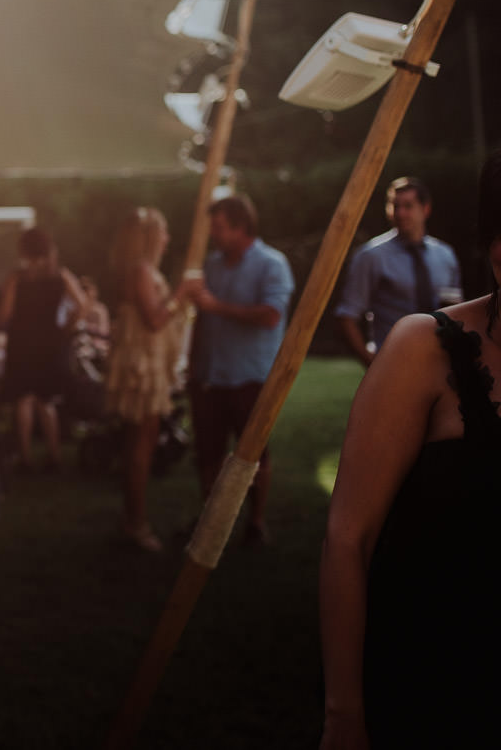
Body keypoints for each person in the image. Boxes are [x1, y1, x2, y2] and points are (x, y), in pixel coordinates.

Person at [319, 151, 500, 749]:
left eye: (409, 201)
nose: (401, 210)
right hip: (440, 683)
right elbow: (350, 538)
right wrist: (345, 715)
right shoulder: (420, 339)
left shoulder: (445, 256)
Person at [182, 195, 294, 547]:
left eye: (218, 227)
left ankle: (255, 523)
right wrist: (191, 362)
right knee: (208, 453)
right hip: (209, 376)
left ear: (240, 227)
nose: (213, 234)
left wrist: (217, 306)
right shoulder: (212, 265)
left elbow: (271, 315)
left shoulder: (272, 264)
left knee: (253, 455)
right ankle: (211, 523)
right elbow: (201, 317)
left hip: (251, 376)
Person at [104, 207, 188, 552]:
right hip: (143, 364)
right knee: (141, 443)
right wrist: (182, 295)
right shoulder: (140, 270)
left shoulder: (139, 269)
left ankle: (133, 517)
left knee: (139, 441)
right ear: (151, 237)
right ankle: (135, 522)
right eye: (163, 232)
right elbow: (155, 319)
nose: (167, 239)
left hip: (145, 360)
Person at [334, 176, 463, 367]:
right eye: (395, 206)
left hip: (442, 362)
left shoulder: (445, 255)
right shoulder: (371, 256)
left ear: (425, 209)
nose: (400, 213)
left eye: (408, 206)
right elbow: (347, 316)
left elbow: (457, 308)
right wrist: (372, 365)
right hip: (394, 362)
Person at [0, 226, 89, 472]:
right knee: (47, 400)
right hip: (51, 341)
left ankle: (25, 458)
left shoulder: (16, 278)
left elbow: (5, 314)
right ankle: (54, 456)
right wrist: (66, 328)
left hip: (22, 343)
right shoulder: (61, 276)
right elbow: (82, 305)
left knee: (24, 400)